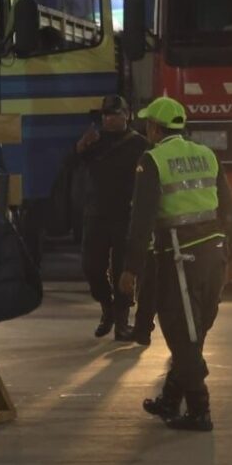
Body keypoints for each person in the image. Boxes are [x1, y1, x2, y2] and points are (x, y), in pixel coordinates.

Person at [119, 96, 232, 432]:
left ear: (156, 128)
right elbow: (229, 212)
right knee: (195, 330)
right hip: (213, 257)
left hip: (179, 258)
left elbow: (141, 220)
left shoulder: (153, 160)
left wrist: (130, 268)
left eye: (148, 124)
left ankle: (200, 410)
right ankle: (171, 399)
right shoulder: (208, 156)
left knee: (180, 333)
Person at [70, 95, 149, 342]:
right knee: (92, 267)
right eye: (105, 115)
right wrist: (79, 149)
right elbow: (71, 169)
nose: (109, 119)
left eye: (114, 114)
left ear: (127, 116)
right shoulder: (93, 142)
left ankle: (122, 320)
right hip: (96, 214)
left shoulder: (140, 145)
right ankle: (107, 306)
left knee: (123, 272)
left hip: (126, 215)